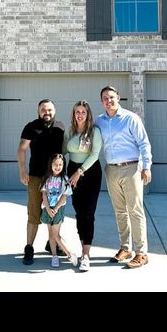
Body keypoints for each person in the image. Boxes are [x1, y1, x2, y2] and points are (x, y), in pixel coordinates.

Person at [95, 85, 152, 268]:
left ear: (118, 98)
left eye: (111, 97)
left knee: (135, 210)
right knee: (120, 211)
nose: (108, 100)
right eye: (105, 98)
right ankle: (125, 248)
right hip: (111, 169)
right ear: (101, 101)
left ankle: (141, 252)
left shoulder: (130, 118)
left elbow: (144, 143)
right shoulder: (99, 121)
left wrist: (147, 167)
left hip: (132, 168)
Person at [18, 99, 65, 265]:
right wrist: (23, 171)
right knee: (34, 212)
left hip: (55, 179)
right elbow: (22, 149)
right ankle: (29, 247)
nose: (47, 113)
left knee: (54, 212)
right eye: (44, 110)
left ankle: (51, 242)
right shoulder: (31, 127)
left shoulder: (60, 127)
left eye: (50, 110)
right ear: (39, 112)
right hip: (36, 177)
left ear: (55, 110)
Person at [63, 100, 103, 273]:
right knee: (79, 212)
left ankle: (86, 256)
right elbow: (61, 151)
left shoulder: (94, 131)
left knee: (88, 213)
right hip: (72, 171)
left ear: (88, 115)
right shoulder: (70, 132)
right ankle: (82, 249)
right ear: (73, 114)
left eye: (83, 112)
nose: (80, 114)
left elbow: (94, 154)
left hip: (90, 173)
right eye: (77, 111)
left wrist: (79, 172)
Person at [40, 154, 79, 268]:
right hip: (47, 208)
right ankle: (54, 256)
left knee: (55, 235)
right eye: (55, 164)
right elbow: (44, 195)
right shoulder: (46, 178)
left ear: (63, 165)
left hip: (58, 209)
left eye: (60, 164)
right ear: (50, 165)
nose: (58, 167)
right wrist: (48, 209)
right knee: (50, 235)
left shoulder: (65, 179)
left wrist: (55, 209)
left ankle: (70, 254)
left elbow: (64, 196)